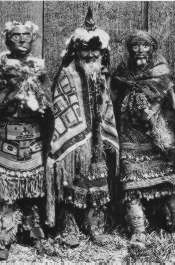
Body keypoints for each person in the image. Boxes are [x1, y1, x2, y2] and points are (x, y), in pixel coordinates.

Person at [47, 8, 119, 246]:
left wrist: (103, 132)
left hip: (96, 139)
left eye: (95, 51)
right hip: (75, 140)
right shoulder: (67, 74)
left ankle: (94, 225)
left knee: (97, 179)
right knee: (72, 180)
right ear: (75, 52)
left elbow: (106, 103)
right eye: (85, 50)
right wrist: (78, 136)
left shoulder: (101, 74)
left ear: (101, 53)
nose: (90, 55)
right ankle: (68, 226)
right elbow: (61, 106)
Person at [111, 30, 175, 246]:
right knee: (131, 181)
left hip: (157, 134)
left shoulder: (160, 72)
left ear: (152, 48)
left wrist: (156, 118)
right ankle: (139, 231)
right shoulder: (122, 72)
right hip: (129, 134)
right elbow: (114, 98)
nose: (140, 50)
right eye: (135, 46)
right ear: (130, 49)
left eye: (145, 45)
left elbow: (171, 105)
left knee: (170, 181)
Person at [0, 21, 53, 260]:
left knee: (33, 191)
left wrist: (41, 101)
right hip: (7, 134)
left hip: (33, 136)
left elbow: (48, 101)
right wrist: (12, 93)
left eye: (26, 36)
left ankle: (35, 233)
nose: (21, 40)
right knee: (7, 192)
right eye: (15, 36)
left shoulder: (38, 67)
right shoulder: (2, 65)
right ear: (7, 40)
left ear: (33, 39)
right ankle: (5, 237)